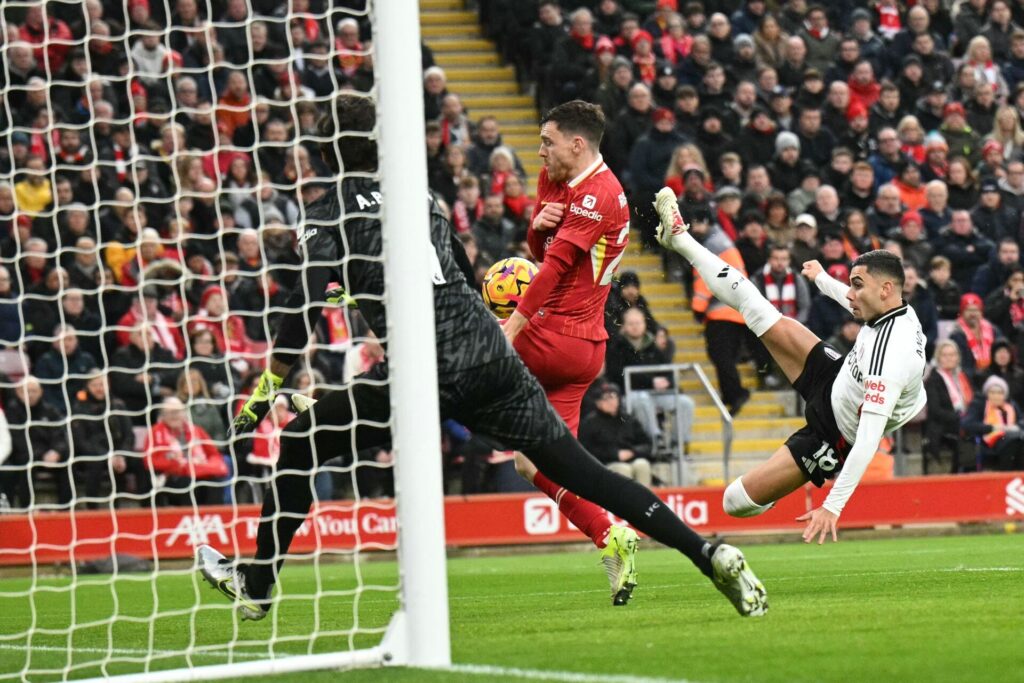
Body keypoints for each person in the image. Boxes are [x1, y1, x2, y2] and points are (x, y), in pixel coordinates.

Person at [198, 95, 767, 621]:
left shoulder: (327, 214)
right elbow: (467, 283)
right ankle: (706, 552)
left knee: (300, 442)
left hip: (428, 368)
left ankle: (258, 582)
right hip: (491, 356)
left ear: (324, 154)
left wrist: (267, 382)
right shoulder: (426, 199)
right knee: (584, 472)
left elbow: (300, 313)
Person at [655, 188, 927, 543]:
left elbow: (866, 440)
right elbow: (856, 306)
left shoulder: (892, 354)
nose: (850, 293)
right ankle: (681, 239)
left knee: (733, 501)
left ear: (887, 288)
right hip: (837, 377)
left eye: (857, 285)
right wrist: (822, 280)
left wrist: (832, 505)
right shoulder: (890, 308)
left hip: (835, 433)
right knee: (757, 307)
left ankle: (774, 489)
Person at [501, 100, 639, 605]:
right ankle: (611, 535)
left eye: (548, 142)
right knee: (531, 463)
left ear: (577, 145)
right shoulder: (557, 181)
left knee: (453, 347)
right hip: (583, 351)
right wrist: (538, 226)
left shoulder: (598, 193)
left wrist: (510, 328)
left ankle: (354, 403)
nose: (541, 151)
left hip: (553, 336)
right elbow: (541, 251)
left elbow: (553, 269)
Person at [579, 382, 653, 486]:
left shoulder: (628, 419)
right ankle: (624, 501)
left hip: (631, 458)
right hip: (604, 464)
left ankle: (645, 501)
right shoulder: (589, 423)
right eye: (606, 399)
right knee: (623, 469)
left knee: (642, 465)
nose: (611, 402)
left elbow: (647, 444)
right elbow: (585, 451)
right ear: (597, 403)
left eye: (614, 397)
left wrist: (633, 452)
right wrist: (614, 454)